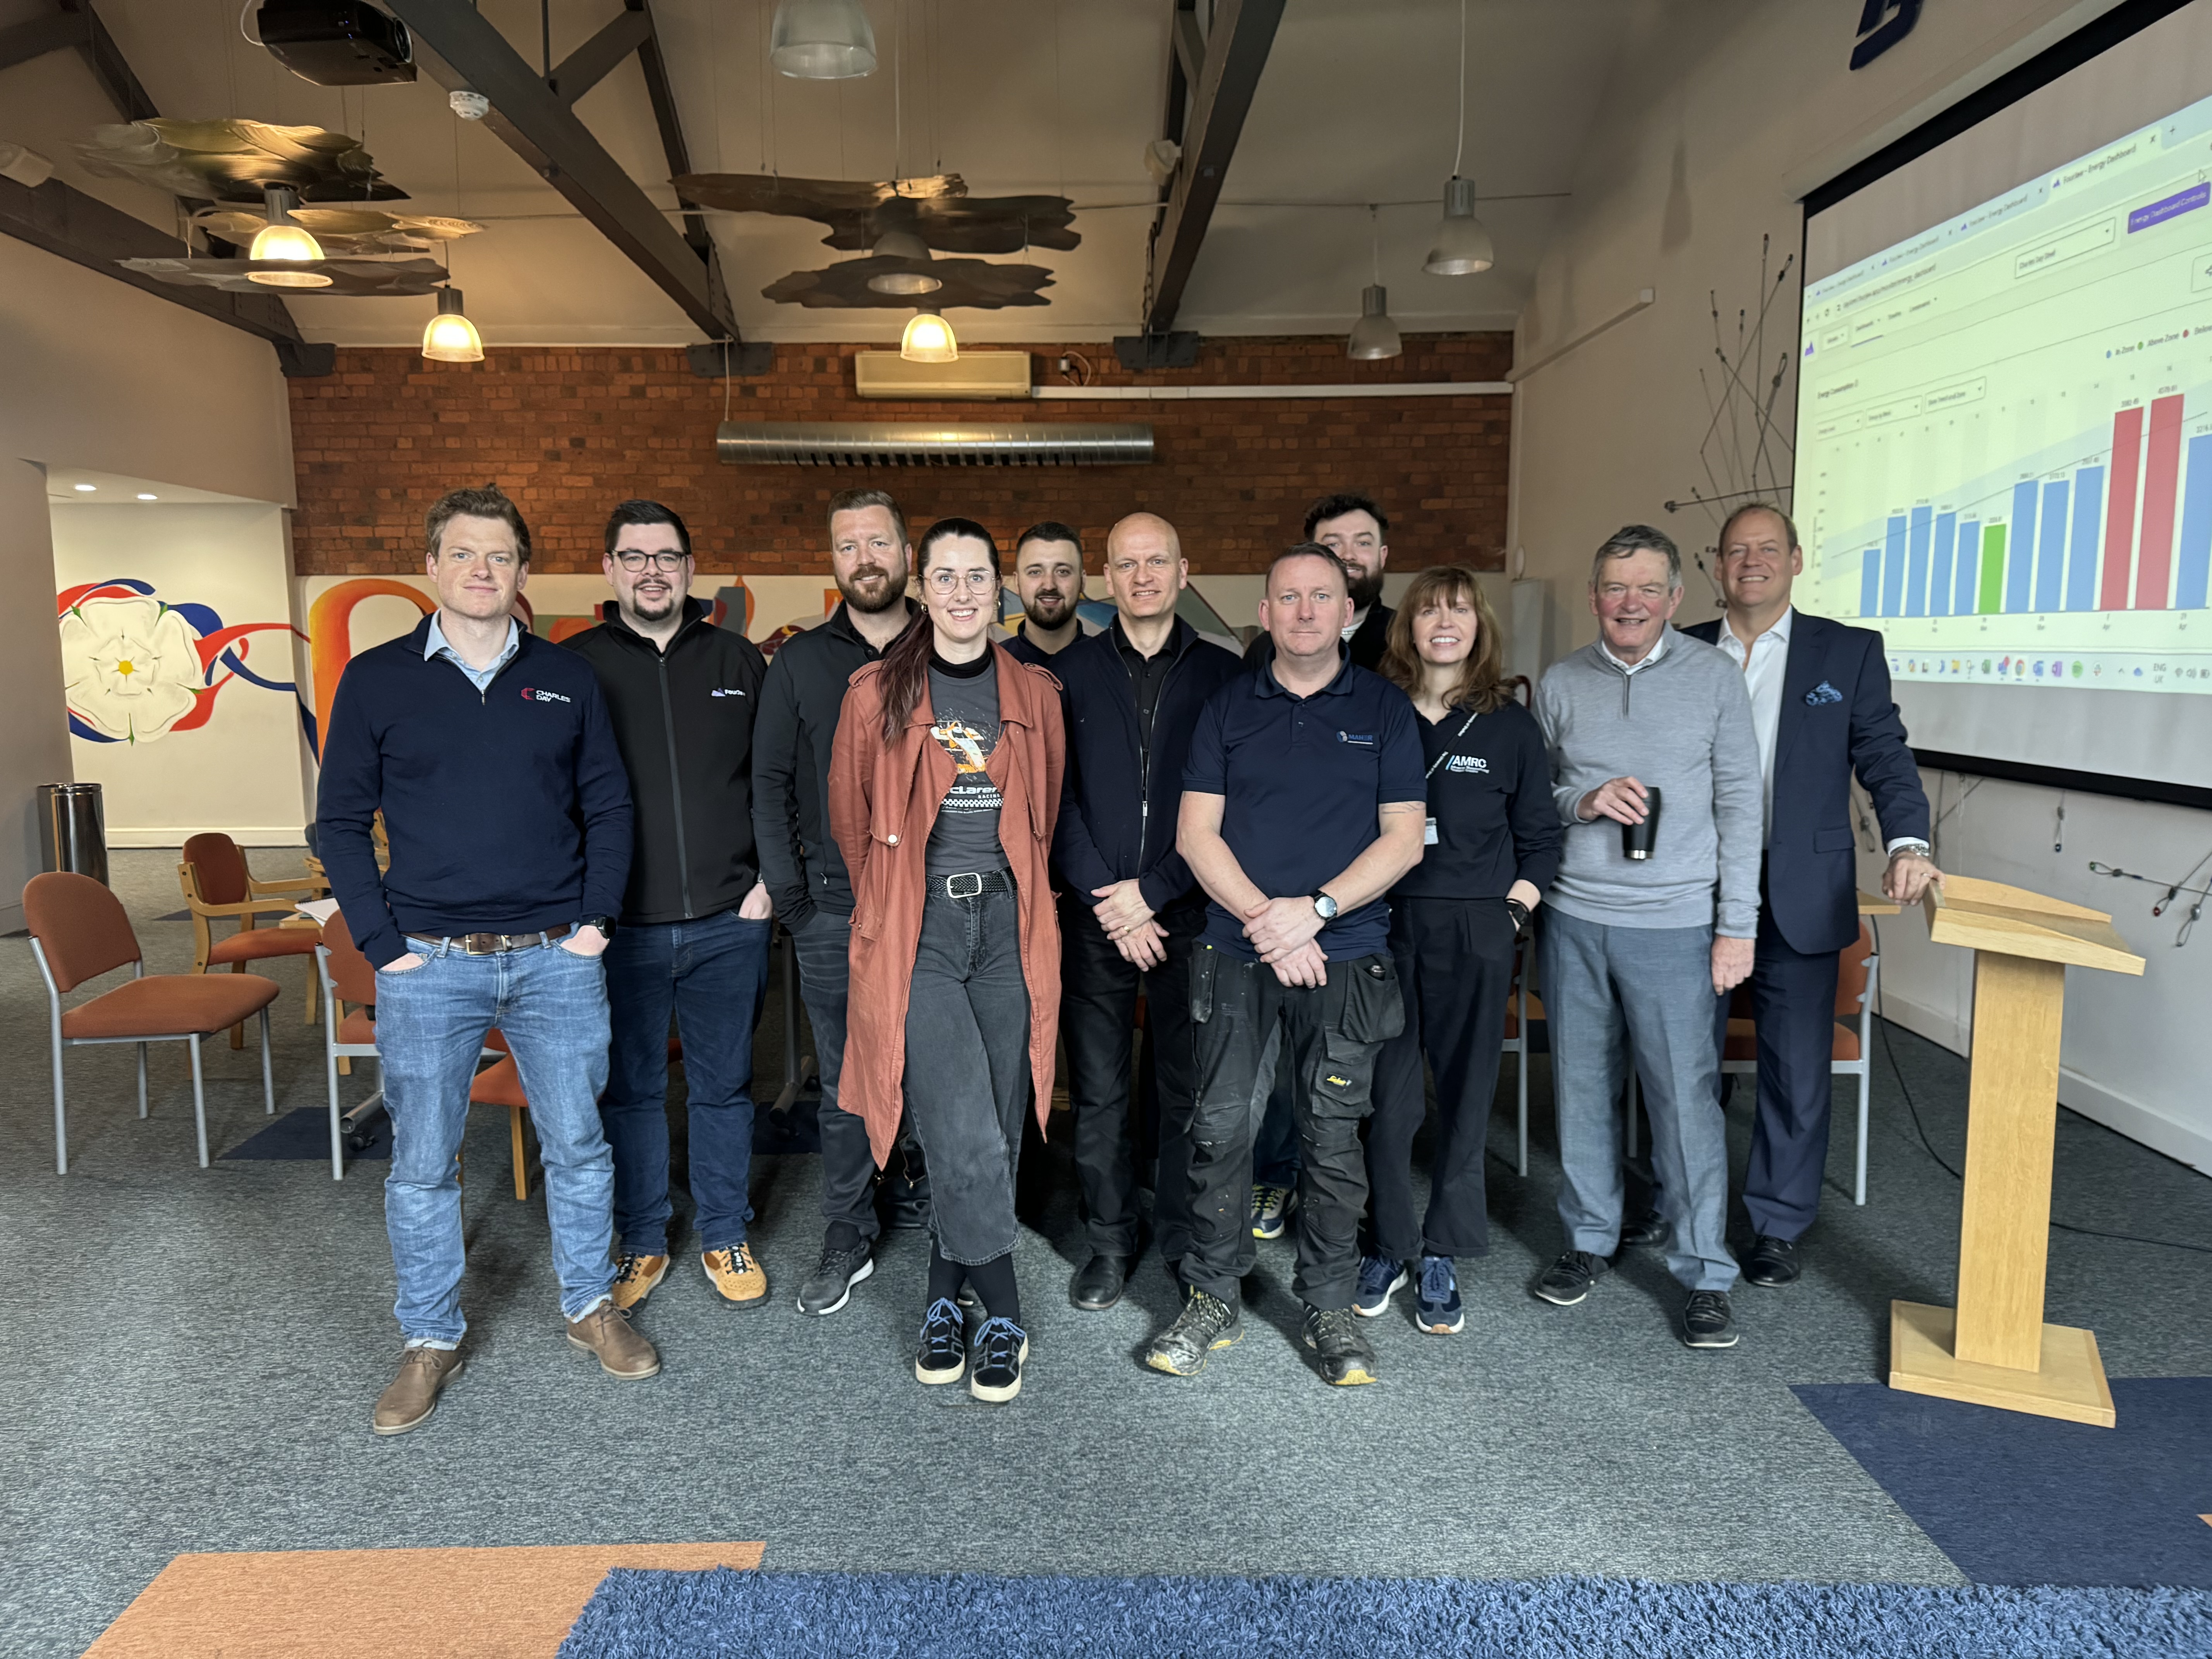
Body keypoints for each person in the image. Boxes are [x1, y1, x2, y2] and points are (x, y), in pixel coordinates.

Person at [318, 483, 649, 1436]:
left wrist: (593, 926)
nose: (481, 571)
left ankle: (592, 1310)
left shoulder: (566, 679)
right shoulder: (377, 681)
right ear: (431, 567)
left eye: (500, 556)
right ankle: (429, 1338)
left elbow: (611, 808)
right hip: (430, 963)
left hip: (556, 959)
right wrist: (383, 946)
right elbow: (339, 823)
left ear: (522, 572)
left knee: (580, 1147)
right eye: (463, 554)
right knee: (423, 1163)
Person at [1147, 543, 1426, 1387]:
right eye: (1287, 599)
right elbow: (1197, 834)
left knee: (1331, 1139)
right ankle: (1213, 1295)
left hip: (1346, 960)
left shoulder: (1384, 709)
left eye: (1321, 598)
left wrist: (1317, 913)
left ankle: (1331, 1303)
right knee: (1221, 1129)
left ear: (1349, 611)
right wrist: (1270, 920)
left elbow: (1404, 838)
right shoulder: (1229, 709)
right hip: (1235, 955)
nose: (1304, 612)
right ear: (1264, 614)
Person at [829, 519, 1066, 1404]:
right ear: (921, 589)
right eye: (946, 577)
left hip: (1007, 926)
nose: (963, 593)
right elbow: (851, 823)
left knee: (995, 1123)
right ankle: (1000, 1307)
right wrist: (891, 904)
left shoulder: (1034, 693)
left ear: (997, 590)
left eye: (978, 577)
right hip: (917, 931)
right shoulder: (874, 694)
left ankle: (941, 1292)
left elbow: (1044, 815)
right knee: (959, 1121)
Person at [1682, 503, 1936, 1287]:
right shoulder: (1680, 650)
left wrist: (1909, 842)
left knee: (1796, 1068)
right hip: (1694, 887)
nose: (1750, 561)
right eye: (1735, 551)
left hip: (1799, 887)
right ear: (1716, 566)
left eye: (1766, 549)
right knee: (1682, 1057)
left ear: (1794, 560)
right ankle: (1676, 1203)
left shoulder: (1848, 652)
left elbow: (1884, 755)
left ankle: (1776, 1224)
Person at [1532, 524, 1762, 1350]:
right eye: (1615, 588)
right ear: (1596, 596)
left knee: (1684, 1103)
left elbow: (1742, 805)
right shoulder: (1561, 683)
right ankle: (1591, 1238)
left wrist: (1738, 926)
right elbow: (1540, 796)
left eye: (1647, 589)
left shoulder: (1714, 680)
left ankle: (1705, 1269)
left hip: (1675, 925)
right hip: (1575, 919)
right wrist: (1584, 802)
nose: (1630, 603)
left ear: (1676, 599)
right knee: (1582, 1090)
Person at [567, 500, 775, 1313]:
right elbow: (560, 798)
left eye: (667, 557)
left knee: (724, 1088)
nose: (652, 570)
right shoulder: (575, 667)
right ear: (611, 569)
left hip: (733, 918)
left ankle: (726, 1231)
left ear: (691, 570)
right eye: (634, 556)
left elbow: (774, 783)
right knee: (634, 1091)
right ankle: (644, 1240)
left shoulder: (740, 659)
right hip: (624, 929)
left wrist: (768, 886)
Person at [1357, 566, 1561, 1334]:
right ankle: (1390, 1242)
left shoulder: (1509, 724)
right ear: (1408, 626)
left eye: (1461, 612)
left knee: (1469, 1095)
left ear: (1480, 627)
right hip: (1386, 924)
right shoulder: (1375, 712)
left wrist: (1514, 910)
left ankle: (1442, 1248)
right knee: (1389, 1098)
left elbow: (1542, 837)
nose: (1445, 624)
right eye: (1431, 611)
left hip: (1478, 929)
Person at [1050, 512, 1240, 1310]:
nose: (1143, 577)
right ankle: (1107, 1242)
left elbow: (1234, 808)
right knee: (1097, 1095)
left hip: (1188, 918)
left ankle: (1176, 1234)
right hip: (1095, 919)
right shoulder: (1067, 675)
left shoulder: (1226, 677)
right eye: (1126, 564)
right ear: (1108, 576)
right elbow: (1051, 802)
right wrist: (1111, 901)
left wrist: (1155, 895)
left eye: (1157, 561)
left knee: (1183, 1091)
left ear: (1184, 569)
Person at [752, 488, 922, 1317]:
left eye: (879, 543)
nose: (865, 558)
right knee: (851, 1080)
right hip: (834, 912)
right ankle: (848, 1228)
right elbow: (770, 784)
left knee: (934, 1067)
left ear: (907, 555)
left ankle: (923, 1198)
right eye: (848, 545)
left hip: (939, 910)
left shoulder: (956, 648)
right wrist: (795, 899)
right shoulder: (800, 661)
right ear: (835, 562)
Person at [1244, 491, 1401, 1234]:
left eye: (1358, 544)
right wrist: (1283, 918)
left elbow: (1399, 821)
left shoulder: (1404, 651)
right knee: (1279, 1066)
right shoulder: (1261, 662)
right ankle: (1277, 1176)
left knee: (1360, 1071)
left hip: (1366, 905)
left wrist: (1321, 909)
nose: (1344, 556)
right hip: (1273, 909)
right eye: (1328, 545)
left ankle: (1348, 1202)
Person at [1242, 491, 1397, 672]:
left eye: (1363, 543)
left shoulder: (1408, 637)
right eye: (1333, 544)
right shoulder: (1266, 650)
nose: (1348, 555)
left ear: (1382, 555)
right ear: (1312, 554)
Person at [1003, 520, 1087, 665]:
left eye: (1063, 572)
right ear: (1017, 582)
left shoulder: (1113, 665)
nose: (1049, 585)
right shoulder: (994, 667)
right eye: (1035, 572)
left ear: (1082, 582)